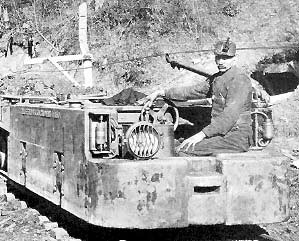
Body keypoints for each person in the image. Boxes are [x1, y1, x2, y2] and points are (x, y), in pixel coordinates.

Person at [143, 38, 253, 156]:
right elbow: (193, 91)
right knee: (175, 144)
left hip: (236, 137)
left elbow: (229, 116)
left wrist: (201, 135)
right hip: (222, 134)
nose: (220, 62)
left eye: (225, 58)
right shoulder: (217, 78)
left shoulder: (239, 80)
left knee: (183, 151)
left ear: (235, 59)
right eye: (218, 57)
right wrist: (163, 92)